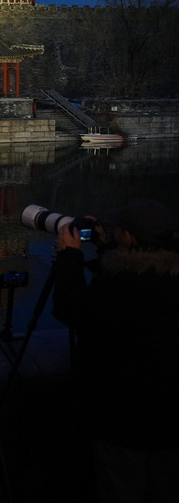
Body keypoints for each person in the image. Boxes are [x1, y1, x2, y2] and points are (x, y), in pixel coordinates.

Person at [51, 199, 179, 503]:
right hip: (173, 420)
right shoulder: (163, 279)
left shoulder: (115, 289)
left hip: (122, 421)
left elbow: (71, 308)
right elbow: (141, 279)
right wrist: (107, 250)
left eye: (119, 231)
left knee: (122, 491)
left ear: (130, 238)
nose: (115, 233)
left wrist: (70, 257)